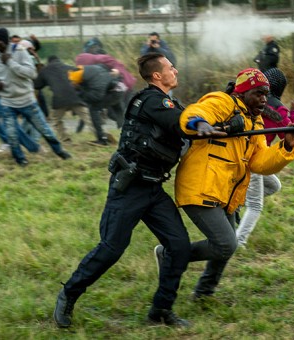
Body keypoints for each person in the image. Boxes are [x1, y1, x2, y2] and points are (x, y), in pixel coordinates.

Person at [53, 52, 192, 328]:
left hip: (153, 188)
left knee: (179, 246)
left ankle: (161, 310)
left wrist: (223, 125)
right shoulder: (150, 100)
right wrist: (204, 125)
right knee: (111, 249)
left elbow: (188, 123)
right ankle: (69, 293)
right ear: (157, 75)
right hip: (129, 188)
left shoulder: (168, 103)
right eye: (170, 67)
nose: (175, 70)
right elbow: (184, 123)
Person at [165, 67, 294, 301]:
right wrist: (199, 124)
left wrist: (286, 147)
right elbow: (196, 112)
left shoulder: (255, 120)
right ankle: (171, 255)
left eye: (266, 93)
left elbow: (260, 163)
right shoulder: (222, 102)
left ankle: (204, 293)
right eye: (259, 93)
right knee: (226, 244)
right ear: (242, 92)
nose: (264, 99)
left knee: (224, 247)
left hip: (227, 192)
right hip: (201, 187)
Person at [235, 67, 294, 248]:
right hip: (255, 157)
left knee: (274, 185)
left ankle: (236, 204)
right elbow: (289, 134)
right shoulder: (278, 108)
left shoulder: (247, 100)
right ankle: (238, 242)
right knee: (255, 206)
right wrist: (293, 114)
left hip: (239, 153)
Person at [0, 28, 71, 166]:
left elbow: (31, 73)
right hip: (7, 102)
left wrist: (10, 63)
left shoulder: (19, 51)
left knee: (45, 130)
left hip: (27, 100)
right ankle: (21, 160)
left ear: (5, 41)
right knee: (12, 136)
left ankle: (60, 151)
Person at [76, 37, 137, 130]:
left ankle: (131, 127)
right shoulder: (105, 58)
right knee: (119, 111)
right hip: (125, 85)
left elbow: (105, 77)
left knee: (113, 111)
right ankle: (128, 127)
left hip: (121, 87)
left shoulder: (99, 61)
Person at [35, 55, 93, 143]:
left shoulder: (45, 70)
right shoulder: (68, 67)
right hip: (74, 97)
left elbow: (37, 85)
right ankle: (101, 135)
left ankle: (66, 139)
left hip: (59, 99)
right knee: (87, 118)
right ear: (59, 60)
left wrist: (40, 74)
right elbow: (81, 77)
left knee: (56, 120)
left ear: (48, 62)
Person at [67, 63, 119, 146]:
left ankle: (102, 139)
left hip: (115, 92)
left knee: (94, 110)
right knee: (98, 111)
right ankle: (103, 137)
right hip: (116, 89)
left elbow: (96, 97)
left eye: (74, 83)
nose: (73, 84)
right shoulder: (88, 71)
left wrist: (80, 93)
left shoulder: (91, 80)